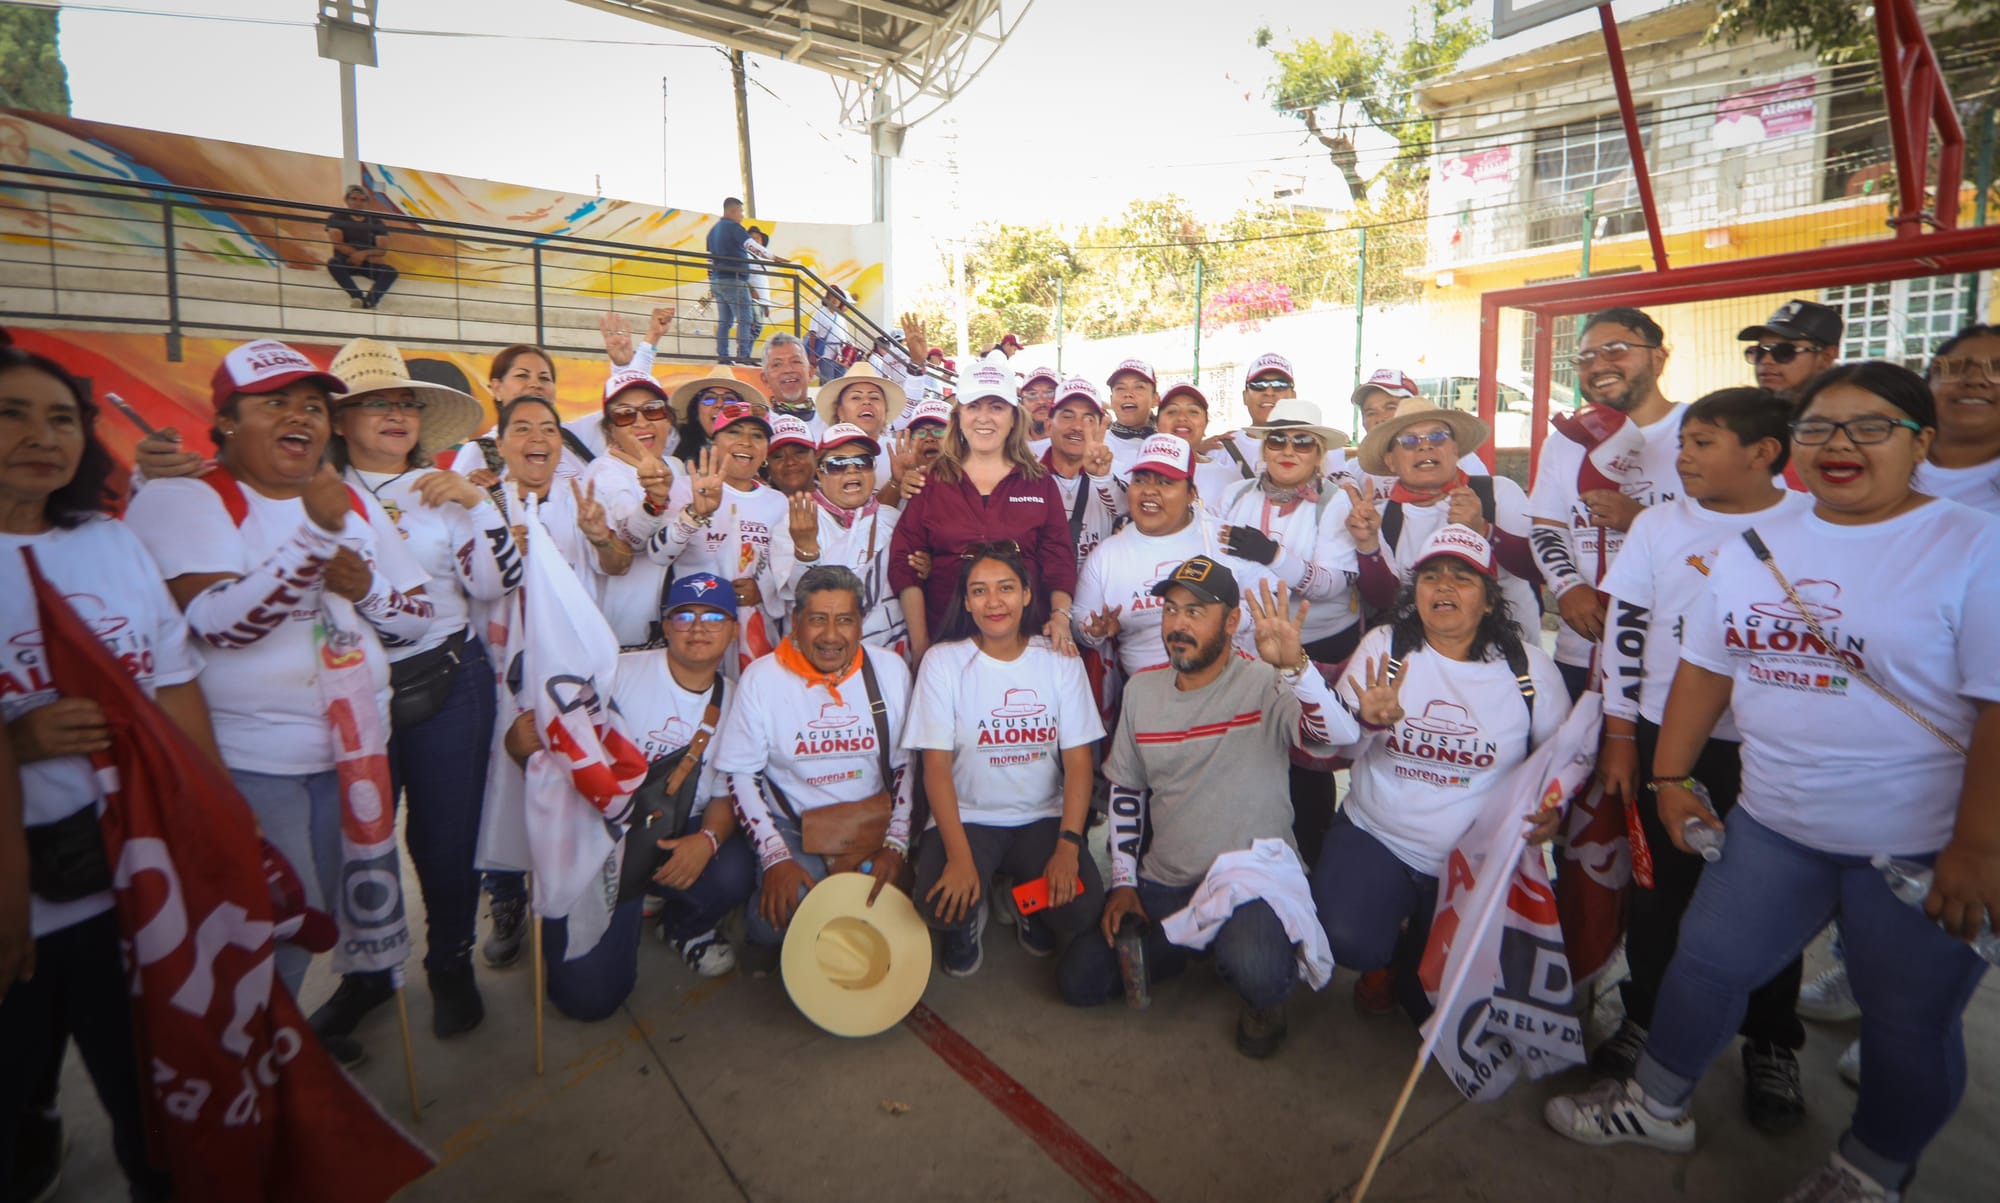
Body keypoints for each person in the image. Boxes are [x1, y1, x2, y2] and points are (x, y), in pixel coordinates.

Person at [1543, 362, 2000, 1203]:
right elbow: (1706, 666)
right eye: (1821, 427)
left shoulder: (1974, 546)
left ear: (1921, 442)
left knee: (1907, 1023)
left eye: (1871, 426)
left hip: (1921, 843)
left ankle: (1869, 1172)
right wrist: (1671, 774)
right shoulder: (1758, 546)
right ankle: (1657, 1102)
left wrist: (1978, 846)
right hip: (1775, 821)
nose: (1840, 444)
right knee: (1706, 963)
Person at [124, 339, 434, 1057]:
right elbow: (220, 624)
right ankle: (253, 1069)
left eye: (313, 406)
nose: (301, 416)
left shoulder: (348, 499)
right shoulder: (186, 497)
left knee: (326, 914)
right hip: (250, 763)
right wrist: (314, 540)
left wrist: (369, 589)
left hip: (353, 755)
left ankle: (285, 1058)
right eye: (276, 403)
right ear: (226, 422)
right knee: (271, 923)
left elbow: (417, 616)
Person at [1, 346, 203, 1203]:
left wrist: (211, 823)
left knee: (152, 1102)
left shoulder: (112, 542)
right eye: (12, 413)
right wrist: (15, 742)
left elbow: (176, 685)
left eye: (61, 418)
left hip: (126, 878)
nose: (40, 436)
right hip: (15, 901)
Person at [1591, 387, 1812, 1128]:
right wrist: (1622, 734)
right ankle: (1645, 1016)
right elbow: (1625, 630)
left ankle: (1770, 1041)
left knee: (1771, 897)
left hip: (1768, 747)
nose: (1683, 456)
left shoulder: (1811, 523)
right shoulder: (1659, 524)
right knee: (1659, 894)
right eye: (1683, 441)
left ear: (1763, 453)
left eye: (1703, 442)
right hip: (1665, 742)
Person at [1056, 562, 1359, 1058]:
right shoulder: (1141, 692)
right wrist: (1125, 883)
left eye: (1196, 612)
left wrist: (1297, 668)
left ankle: (1248, 975)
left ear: (1232, 621)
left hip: (1253, 881)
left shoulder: (1266, 681)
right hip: (1167, 883)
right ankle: (1191, 943)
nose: (1178, 624)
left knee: (1258, 969)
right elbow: (1127, 790)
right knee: (1080, 978)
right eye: (1171, 610)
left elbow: (1340, 738)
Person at [316, 338, 517, 1046]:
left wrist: (478, 505)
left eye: (405, 403)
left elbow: (498, 582)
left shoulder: (442, 490)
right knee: (357, 838)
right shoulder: (310, 492)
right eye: (376, 403)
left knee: (445, 835)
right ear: (340, 420)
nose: (396, 414)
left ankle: (450, 959)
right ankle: (368, 971)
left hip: (447, 679)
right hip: (344, 690)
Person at [1315, 524, 1568, 1021]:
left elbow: (1558, 762)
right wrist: (1365, 721)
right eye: (1431, 577)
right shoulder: (1384, 649)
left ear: (1490, 601)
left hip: (1474, 859)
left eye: (1462, 578)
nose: (1444, 586)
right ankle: (1387, 950)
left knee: (1428, 1003)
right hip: (1379, 836)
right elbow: (1336, 748)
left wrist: (1553, 809)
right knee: (1344, 938)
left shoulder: (1530, 670)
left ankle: (1414, 958)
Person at [502, 574, 757, 1016]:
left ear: (734, 630)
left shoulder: (738, 700)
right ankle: (628, 899)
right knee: (589, 1001)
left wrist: (708, 840)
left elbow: (726, 792)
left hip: (676, 828)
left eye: (715, 617)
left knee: (736, 869)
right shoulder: (614, 675)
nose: (699, 627)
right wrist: (520, 745)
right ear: (666, 625)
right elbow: (557, 753)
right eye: (685, 616)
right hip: (600, 836)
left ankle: (683, 925)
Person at [905, 543, 1105, 975]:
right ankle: (974, 904)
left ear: (1028, 594)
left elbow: (1078, 764)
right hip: (969, 818)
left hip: (1042, 817)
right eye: (979, 591)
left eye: (1006, 588)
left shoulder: (1059, 659)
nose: (994, 602)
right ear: (966, 602)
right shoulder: (943, 663)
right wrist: (960, 858)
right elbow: (935, 769)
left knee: (1082, 908)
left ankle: (1020, 901)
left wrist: (1068, 846)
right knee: (940, 905)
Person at [711, 566, 914, 947]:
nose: (831, 636)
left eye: (845, 621)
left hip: (871, 820)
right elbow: (740, 774)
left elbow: (906, 765)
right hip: (792, 825)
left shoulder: (889, 669)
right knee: (781, 922)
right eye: (818, 620)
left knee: (881, 921)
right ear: (796, 622)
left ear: (861, 624)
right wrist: (775, 856)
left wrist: (896, 845)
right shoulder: (762, 678)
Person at [1215, 396, 1362, 867]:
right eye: (1278, 440)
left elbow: (1334, 584)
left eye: (1303, 442)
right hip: (1246, 645)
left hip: (1316, 645)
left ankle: (1312, 859)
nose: (1288, 450)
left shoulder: (1335, 503)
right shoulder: (1234, 496)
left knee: (1309, 758)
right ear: (1264, 448)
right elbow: (1215, 562)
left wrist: (1272, 555)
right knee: (1252, 750)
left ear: (1319, 454)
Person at [1528, 307, 1684, 700]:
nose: (1598, 365)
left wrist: (1640, 520)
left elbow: (1731, 534)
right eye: (1585, 357)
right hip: (1583, 649)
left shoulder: (1699, 431)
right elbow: (1547, 528)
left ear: (1659, 358)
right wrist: (1567, 587)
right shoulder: (1563, 441)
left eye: (1615, 350)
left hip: (1679, 658)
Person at [888, 363, 1078, 662]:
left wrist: (1060, 617)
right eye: (973, 406)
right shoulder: (930, 481)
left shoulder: (1040, 482)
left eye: (997, 407)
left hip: (1027, 644)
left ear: (1014, 418)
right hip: (946, 646)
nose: (984, 417)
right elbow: (904, 564)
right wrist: (922, 645)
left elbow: (1058, 560)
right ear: (958, 416)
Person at [1072, 434, 1272, 680]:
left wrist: (1224, 619)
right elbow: (1081, 621)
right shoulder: (1106, 554)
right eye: (1140, 480)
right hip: (1147, 694)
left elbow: (1268, 600)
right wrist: (1095, 630)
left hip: (1228, 686)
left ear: (1191, 494)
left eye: (1165, 483)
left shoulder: (1226, 538)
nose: (1149, 491)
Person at [1348, 397, 1539, 645]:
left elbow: (1538, 569)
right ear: (1391, 461)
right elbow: (1384, 601)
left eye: (1437, 437)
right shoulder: (1382, 519)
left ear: (1455, 449)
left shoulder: (1498, 492)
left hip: (1509, 656)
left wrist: (1485, 530)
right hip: (1420, 656)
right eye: (1409, 441)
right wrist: (1368, 546)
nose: (1425, 446)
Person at [645, 401, 787, 676]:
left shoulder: (778, 502)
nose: (746, 442)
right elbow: (658, 555)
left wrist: (763, 590)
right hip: (696, 631)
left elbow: (785, 572)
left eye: (757, 436)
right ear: (714, 441)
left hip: (756, 635)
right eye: (734, 432)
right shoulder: (685, 488)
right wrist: (694, 514)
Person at [578, 369, 686, 648]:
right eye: (625, 414)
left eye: (652, 410)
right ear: (610, 429)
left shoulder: (675, 467)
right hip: (629, 637)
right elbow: (627, 551)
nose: (641, 422)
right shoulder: (602, 474)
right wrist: (653, 503)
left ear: (668, 419)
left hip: (682, 629)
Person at [777, 424, 906, 655]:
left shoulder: (894, 521)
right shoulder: (796, 519)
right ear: (819, 473)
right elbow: (796, 593)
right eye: (837, 464)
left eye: (862, 462)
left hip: (881, 656)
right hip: (817, 656)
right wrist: (806, 550)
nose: (851, 471)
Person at [1341, 369, 1487, 489]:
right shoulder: (1354, 470)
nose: (1380, 418)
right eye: (1370, 413)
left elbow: (1486, 504)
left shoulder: (1459, 459)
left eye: (1390, 407)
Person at [1914, 323, 2000, 514]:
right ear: (1930, 380)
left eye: (1997, 369)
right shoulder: (1876, 457)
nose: (1975, 380)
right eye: (1956, 368)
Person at [1041, 377, 1124, 570]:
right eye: (1067, 416)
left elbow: (1127, 511)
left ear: (1100, 428)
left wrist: (1102, 478)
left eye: (1088, 419)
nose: (1078, 426)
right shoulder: (1026, 477)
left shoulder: (1115, 472)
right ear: (1049, 425)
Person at [1155, 383, 1241, 509]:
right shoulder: (1138, 472)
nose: (1182, 417)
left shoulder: (1228, 479)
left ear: (1206, 423)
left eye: (1193, 411)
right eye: (1172, 411)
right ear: (1156, 424)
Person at [1739, 300, 1843, 401]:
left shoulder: (1844, 409)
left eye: (1784, 351)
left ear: (1826, 356)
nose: (1765, 361)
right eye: (1759, 351)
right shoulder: (1746, 409)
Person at [666, 368, 771, 467]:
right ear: (696, 412)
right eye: (709, 399)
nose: (720, 404)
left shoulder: (757, 453)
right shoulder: (672, 450)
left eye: (729, 400)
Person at [326, 182, 398, 310]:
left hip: (367, 263)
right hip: (346, 261)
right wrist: (357, 255)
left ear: (367, 203)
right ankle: (357, 297)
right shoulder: (337, 217)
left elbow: (382, 250)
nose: (358, 203)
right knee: (333, 263)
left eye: (362, 200)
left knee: (390, 272)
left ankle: (371, 301)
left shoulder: (376, 222)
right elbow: (338, 244)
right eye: (354, 199)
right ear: (346, 200)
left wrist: (362, 255)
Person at [1223, 352, 1296, 476]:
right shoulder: (1219, 449)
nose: (1269, 392)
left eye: (1280, 385)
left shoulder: (1317, 450)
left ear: (1293, 397)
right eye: (1259, 385)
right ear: (1245, 397)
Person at [706, 197, 758, 364]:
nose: (742, 216)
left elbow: (709, 260)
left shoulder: (712, 231)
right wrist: (773, 257)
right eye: (740, 212)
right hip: (734, 279)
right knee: (745, 319)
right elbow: (752, 246)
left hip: (718, 280)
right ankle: (743, 356)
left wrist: (711, 282)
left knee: (725, 321)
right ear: (732, 211)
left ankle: (723, 356)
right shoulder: (734, 228)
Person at [813, 364, 907, 441]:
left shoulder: (902, 451)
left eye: (874, 398)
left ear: (885, 410)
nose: (866, 401)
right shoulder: (827, 455)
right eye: (856, 398)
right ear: (840, 412)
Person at [1103, 358, 1160, 480]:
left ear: (1155, 399)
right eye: (1120, 388)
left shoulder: (1168, 446)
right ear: (1111, 400)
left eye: (1139, 387)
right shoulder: (1096, 444)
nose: (1128, 394)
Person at [760, 333, 820, 434]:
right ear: (765, 379)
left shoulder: (831, 422)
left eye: (796, 361)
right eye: (777, 364)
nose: (788, 370)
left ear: (810, 373)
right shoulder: (759, 426)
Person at [806, 287, 857, 384]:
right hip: (826, 356)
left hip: (841, 356)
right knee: (828, 383)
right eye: (832, 296)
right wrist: (812, 355)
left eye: (837, 297)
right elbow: (813, 334)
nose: (835, 300)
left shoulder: (840, 316)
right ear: (827, 298)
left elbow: (845, 334)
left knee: (840, 384)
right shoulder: (819, 313)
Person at [763, 414, 818, 497]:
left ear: (816, 456)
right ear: (767, 466)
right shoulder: (754, 504)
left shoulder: (837, 497)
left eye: (799, 452)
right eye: (778, 456)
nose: (790, 462)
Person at [1019, 365, 1058, 451]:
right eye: (1032, 394)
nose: (1041, 401)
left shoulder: (1078, 448)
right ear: (1022, 403)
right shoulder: (1009, 448)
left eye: (1050, 393)